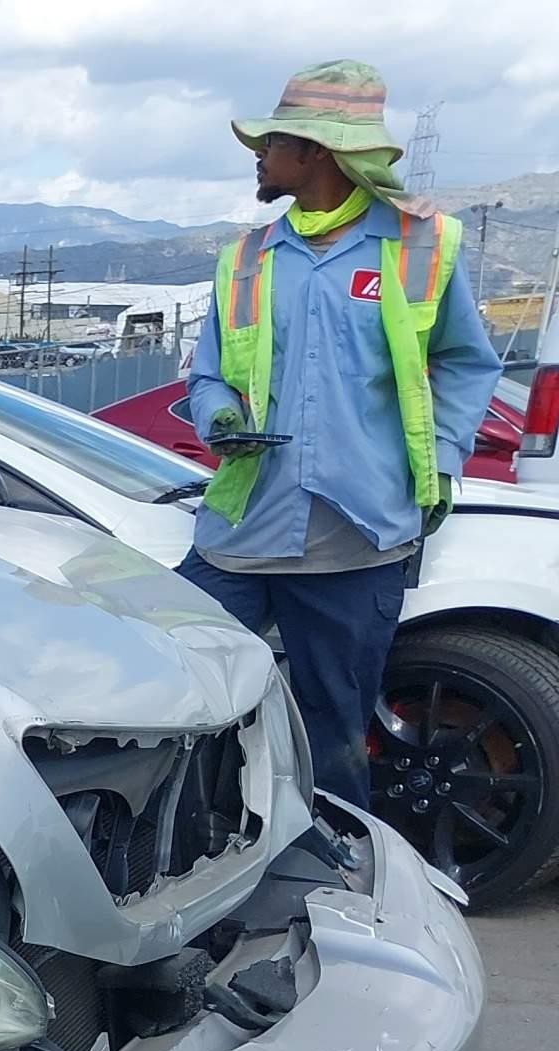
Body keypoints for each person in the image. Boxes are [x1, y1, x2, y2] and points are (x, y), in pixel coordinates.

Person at [179, 60, 500, 806]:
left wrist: (441, 459)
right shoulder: (247, 260)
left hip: (357, 536)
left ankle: (338, 877)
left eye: (271, 143)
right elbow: (209, 375)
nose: (257, 158)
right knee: (176, 700)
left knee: (335, 736)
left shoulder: (424, 247)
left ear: (317, 152)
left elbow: (464, 364)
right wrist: (218, 416)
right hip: (243, 530)